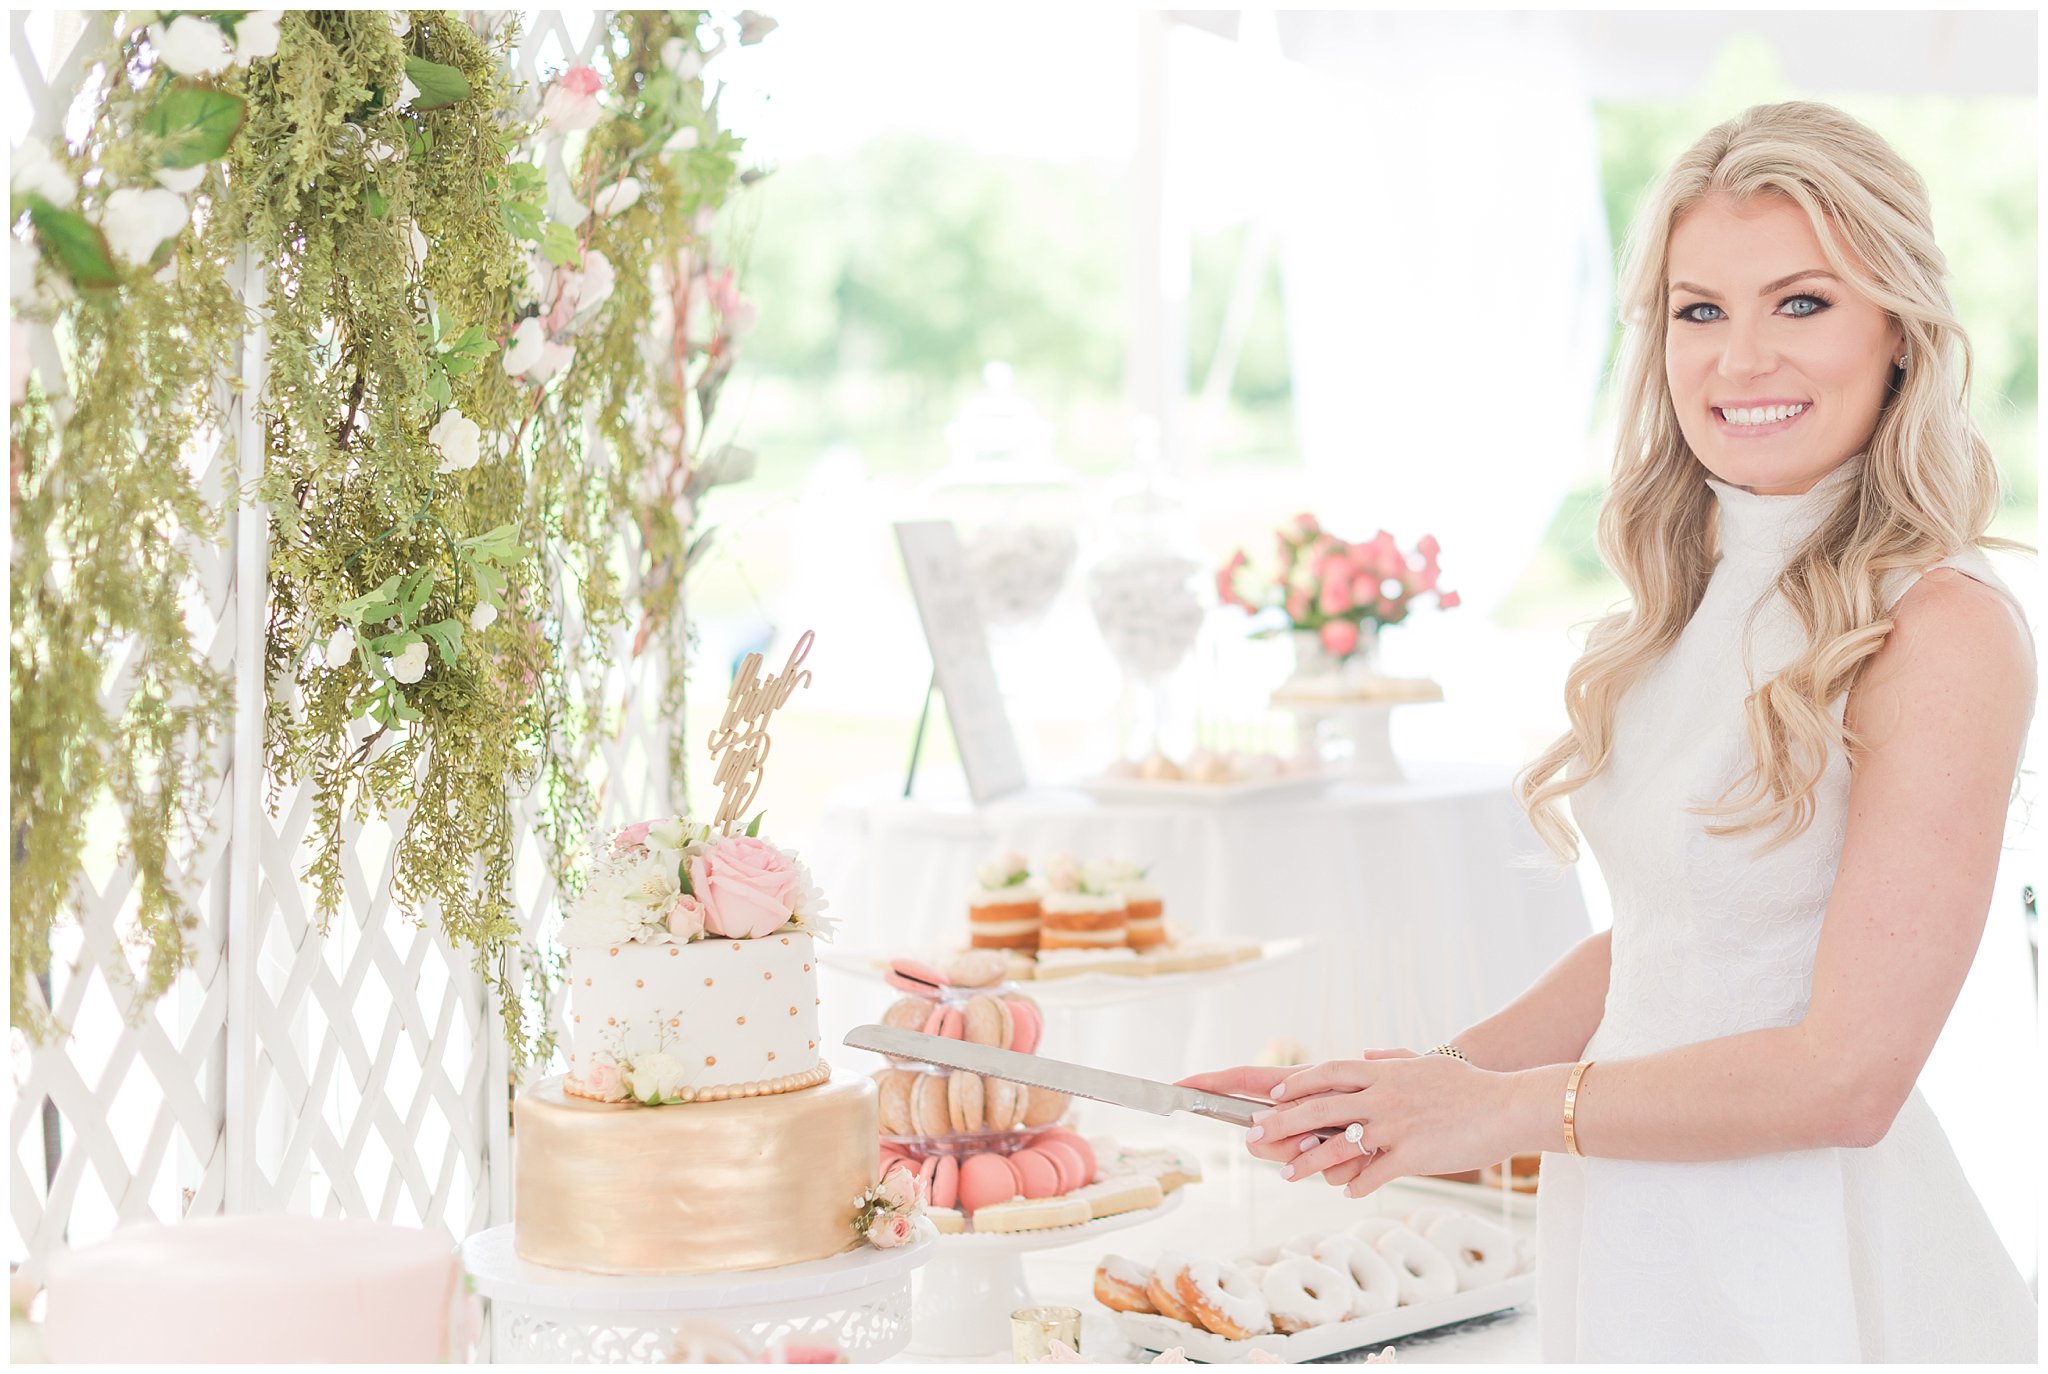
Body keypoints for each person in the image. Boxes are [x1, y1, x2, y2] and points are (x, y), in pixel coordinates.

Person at [1181, 100, 2037, 1361]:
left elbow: (1847, 1079)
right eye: (1700, 310)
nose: (1739, 360)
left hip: (1803, 1259)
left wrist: (1494, 1116)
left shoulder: (1940, 627)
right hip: (1635, 1216)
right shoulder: (1691, 596)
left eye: (1799, 303)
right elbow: (1677, 938)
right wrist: (1396, 1093)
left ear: (1898, 333)